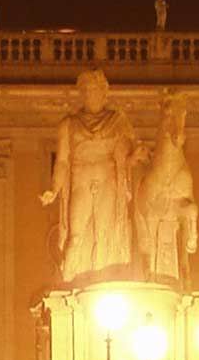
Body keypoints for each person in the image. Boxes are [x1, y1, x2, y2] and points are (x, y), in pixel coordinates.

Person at [40, 69, 137, 281]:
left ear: (104, 93)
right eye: (86, 91)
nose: (90, 95)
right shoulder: (68, 125)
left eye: (95, 90)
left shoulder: (118, 122)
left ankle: (103, 283)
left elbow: (127, 157)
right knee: (75, 236)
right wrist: (54, 189)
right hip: (80, 183)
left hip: (107, 182)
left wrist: (135, 156)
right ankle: (67, 282)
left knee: (104, 235)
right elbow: (63, 162)